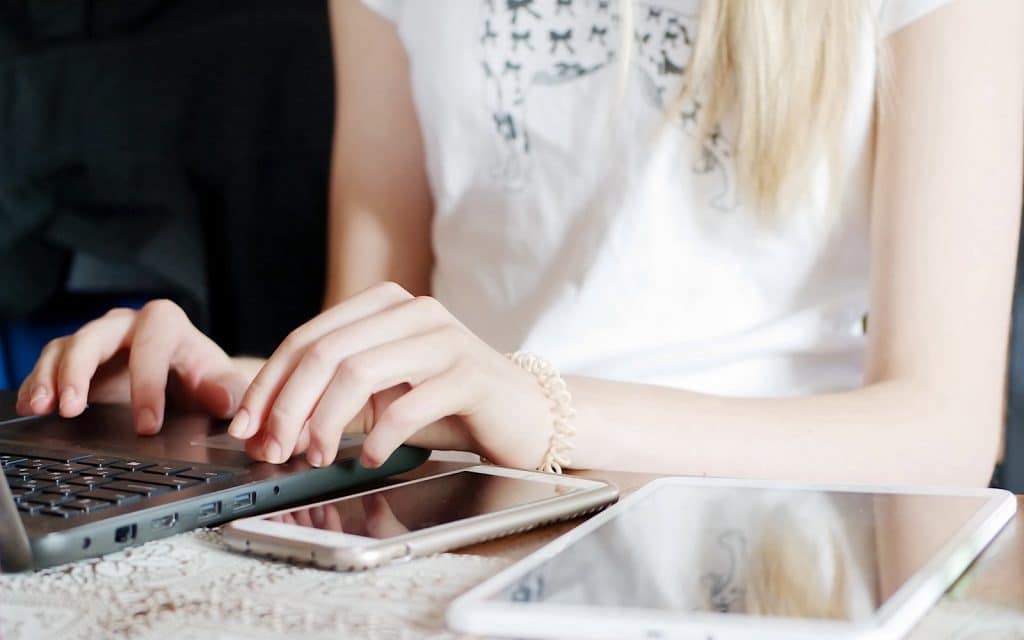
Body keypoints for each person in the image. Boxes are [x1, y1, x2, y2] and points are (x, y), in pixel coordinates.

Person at [15, 0, 1024, 487]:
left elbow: (939, 434)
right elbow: (372, 362)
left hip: (782, 530)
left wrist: (535, 406)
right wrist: (224, 389)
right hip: (463, 511)